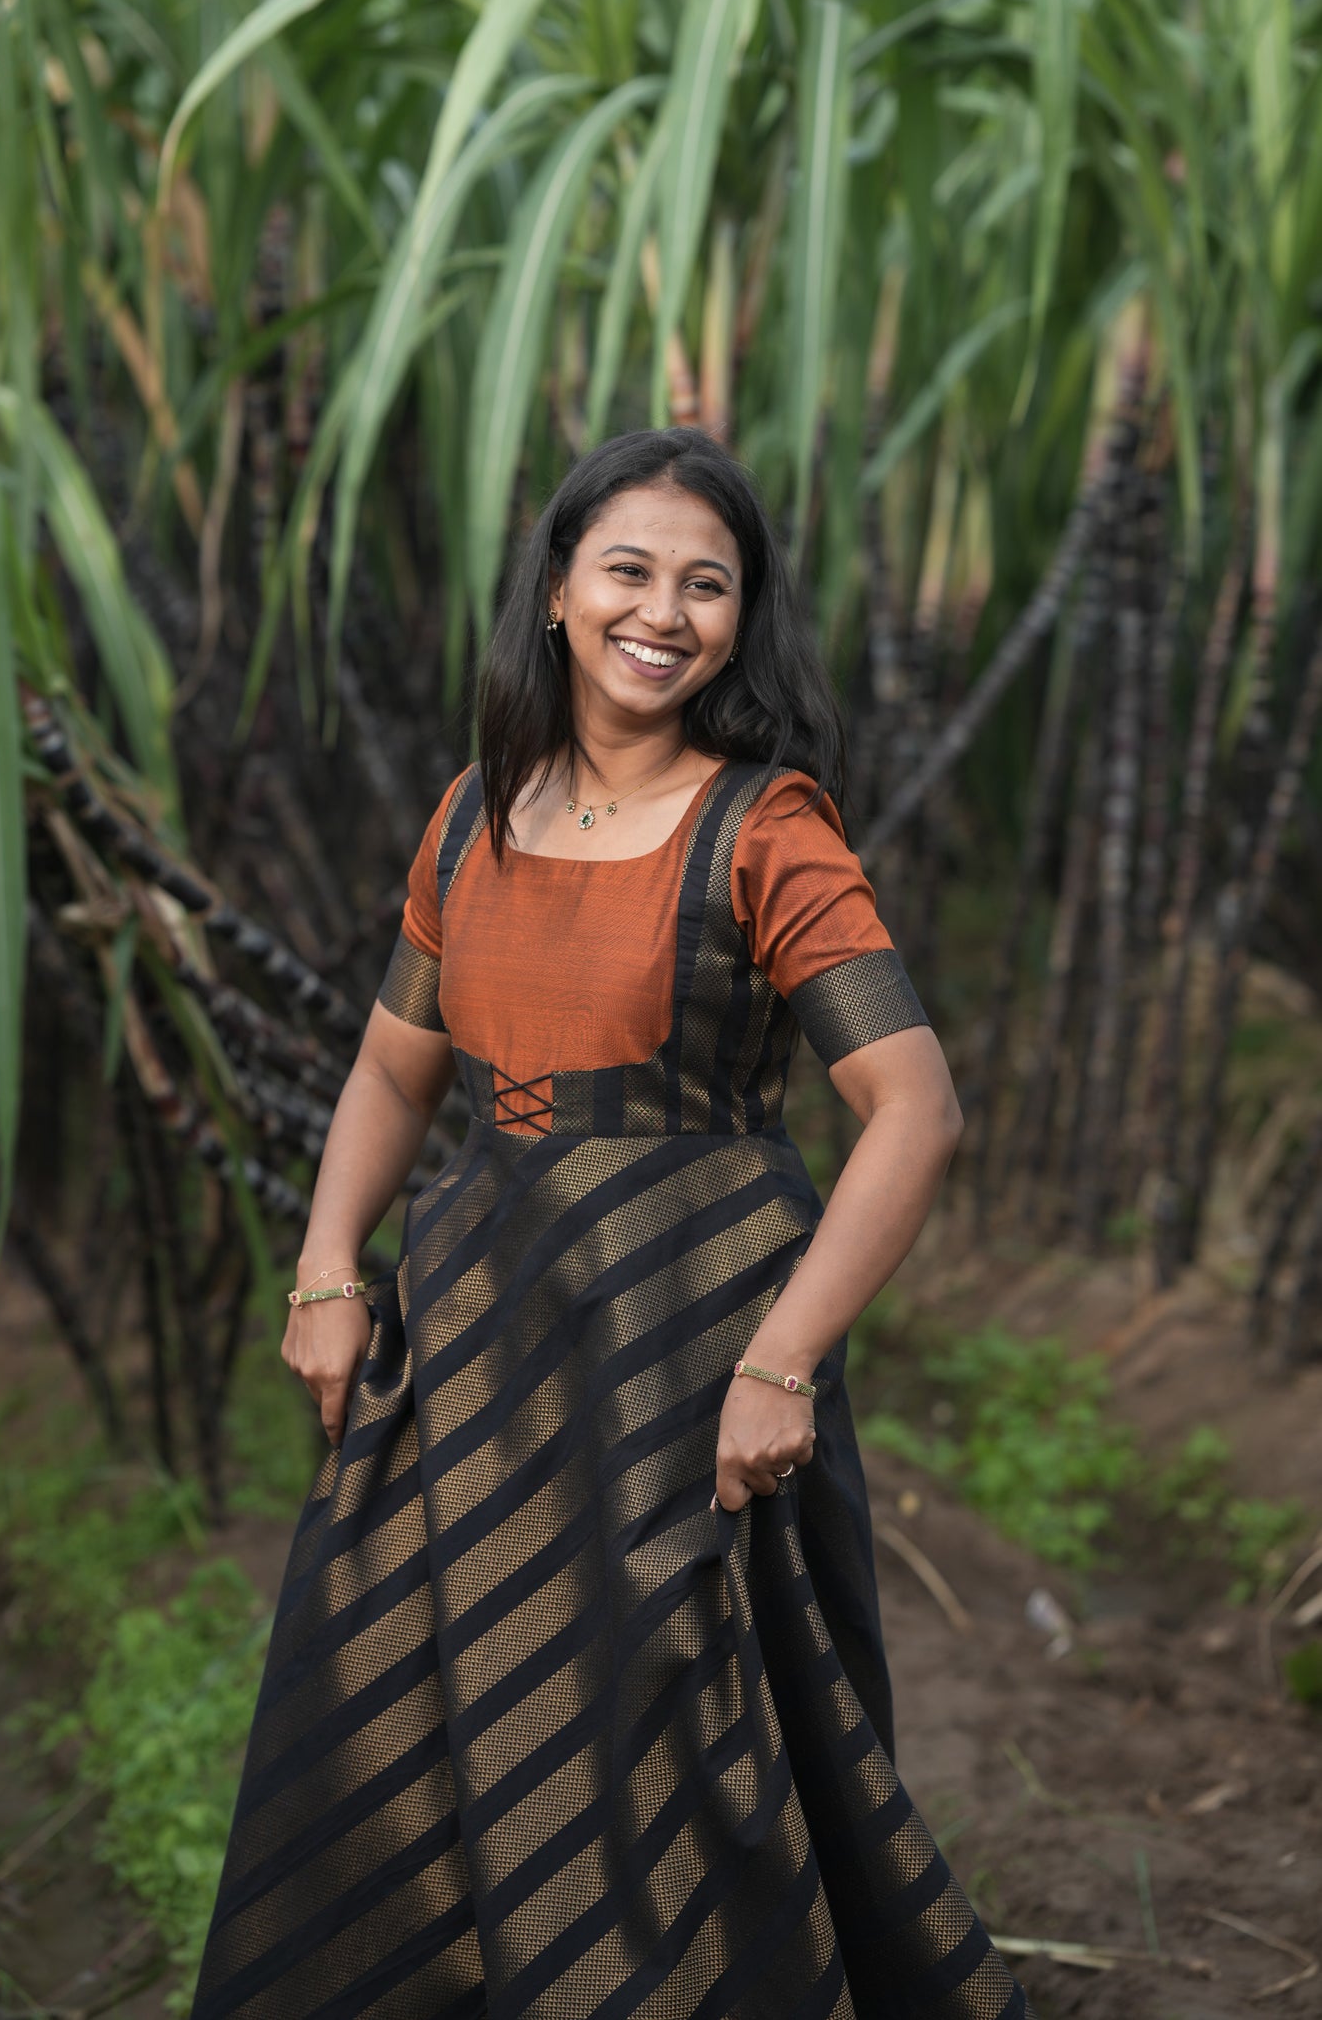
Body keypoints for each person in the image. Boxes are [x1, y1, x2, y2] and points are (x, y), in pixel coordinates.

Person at [192, 428, 1031, 2019]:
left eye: (705, 584)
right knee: (405, 1703)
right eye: (629, 570)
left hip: (684, 1343)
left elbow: (913, 1109)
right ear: (561, 593)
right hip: (478, 1343)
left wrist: (781, 1364)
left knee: (669, 1728)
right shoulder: (475, 818)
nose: (664, 611)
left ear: (741, 618)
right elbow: (390, 1067)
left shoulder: (763, 830)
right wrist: (324, 1270)